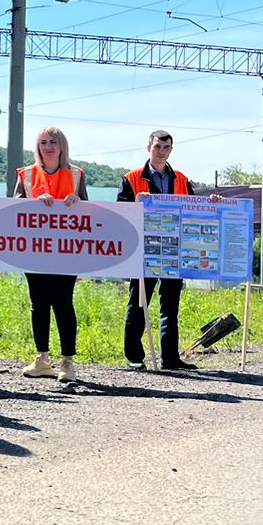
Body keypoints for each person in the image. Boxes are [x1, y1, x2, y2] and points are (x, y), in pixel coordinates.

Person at [116, 129, 204, 372]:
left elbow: (194, 211)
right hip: (144, 251)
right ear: (149, 148)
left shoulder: (182, 179)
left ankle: (170, 358)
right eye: (157, 147)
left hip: (174, 251)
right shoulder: (132, 178)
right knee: (138, 304)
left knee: (170, 306)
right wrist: (136, 203)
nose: (161, 152)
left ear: (171, 150)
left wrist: (214, 203)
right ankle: (134, 357)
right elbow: (120, 214)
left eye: (166, 148)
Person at [12, 125, 87, 385]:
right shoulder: (26, 174)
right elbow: (14, 210)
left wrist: (77, 202)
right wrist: (34, 202)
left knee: (64, 304)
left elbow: (89, 212)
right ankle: (42, 359)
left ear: (62, 145)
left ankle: (68, 362)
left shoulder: (77, 174)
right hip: (34, 251)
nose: (48, 146)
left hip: (67, 253)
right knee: (39, 304)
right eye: (43, 141)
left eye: (53, 141)